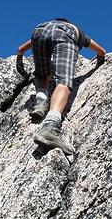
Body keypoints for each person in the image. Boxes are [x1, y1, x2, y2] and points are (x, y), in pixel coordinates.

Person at [16, 18, 106, 155]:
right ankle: (50, 127)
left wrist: (20, 56)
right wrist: (101, 57)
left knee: (42, 74)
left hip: (38, 32)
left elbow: (21, 48)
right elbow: (100, 50)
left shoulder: (48, 26)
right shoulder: (77, 32)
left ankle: (41, 101)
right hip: (66, 35)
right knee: (63, 82)